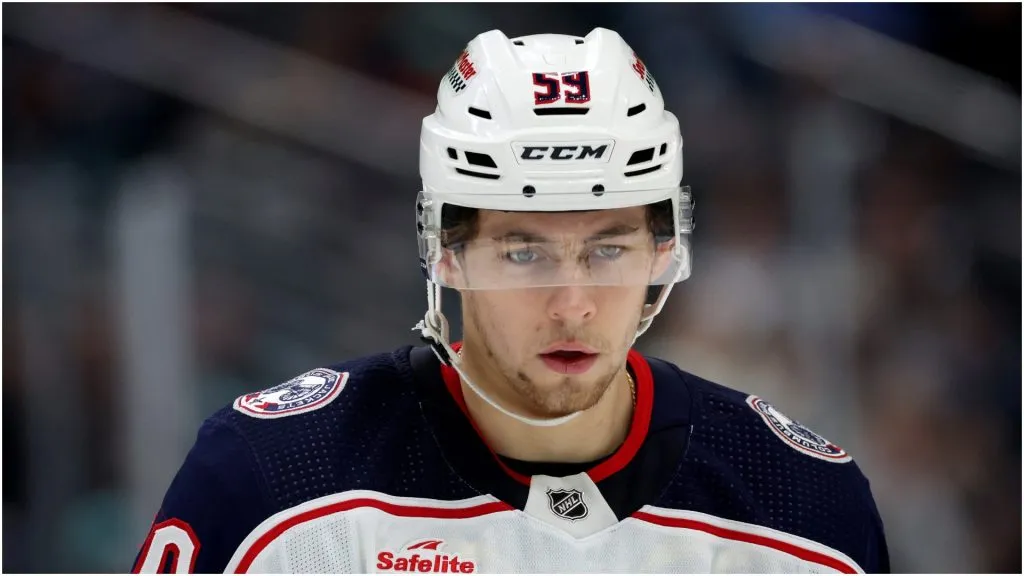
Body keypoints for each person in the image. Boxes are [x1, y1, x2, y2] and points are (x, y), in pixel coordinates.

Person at [132, 28, 889, 573]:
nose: (571, 304)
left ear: (667, 251)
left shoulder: (802, 506)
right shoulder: (270, 480)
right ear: (444, 251)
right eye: (523, 252)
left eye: (609, 249)